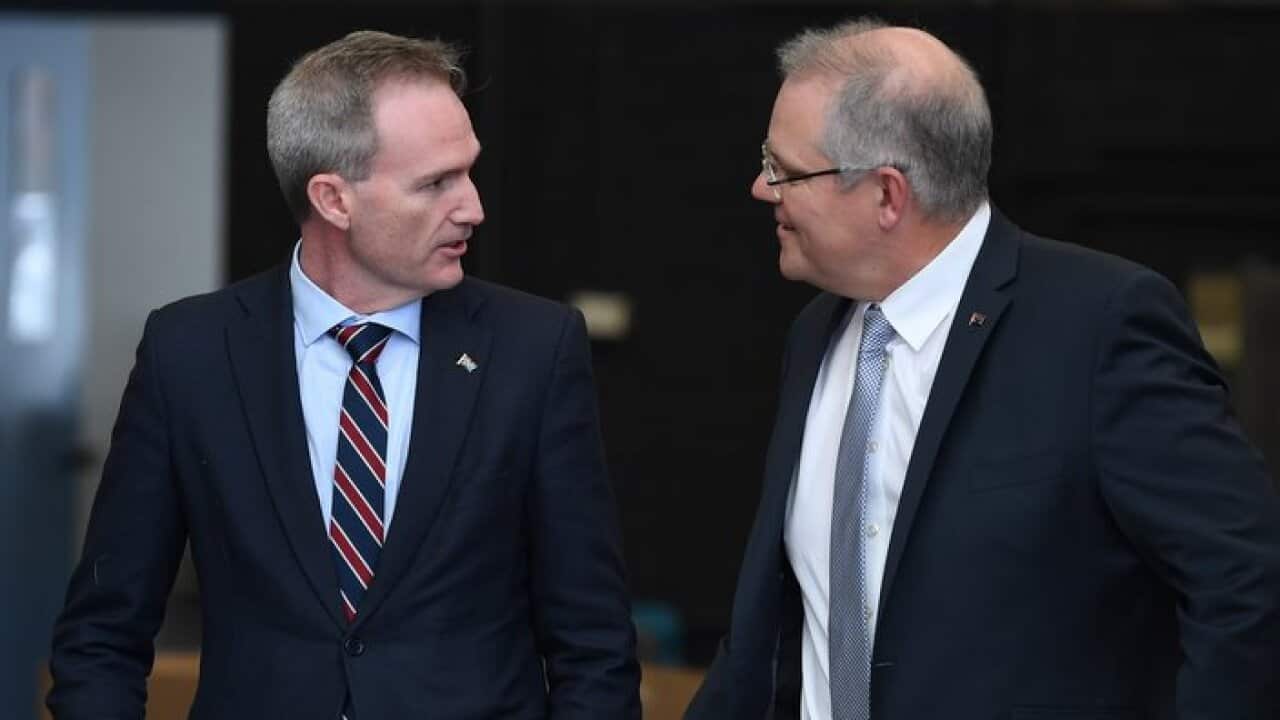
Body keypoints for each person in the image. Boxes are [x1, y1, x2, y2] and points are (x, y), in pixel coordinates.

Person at [686, 17, 1280, 720]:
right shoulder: (815, 334)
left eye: (784, 169)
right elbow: (783, 624)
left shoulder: (1097, 325)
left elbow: (1245, 585)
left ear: (887, 195)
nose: (762, 188)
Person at [48, 30, 640, 719]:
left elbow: (593, 645)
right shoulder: (191, 352)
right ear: (333, 199)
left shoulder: (534, 349)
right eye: (436, 183)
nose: (472, 207)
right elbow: (101, 638)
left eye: (469, 172)